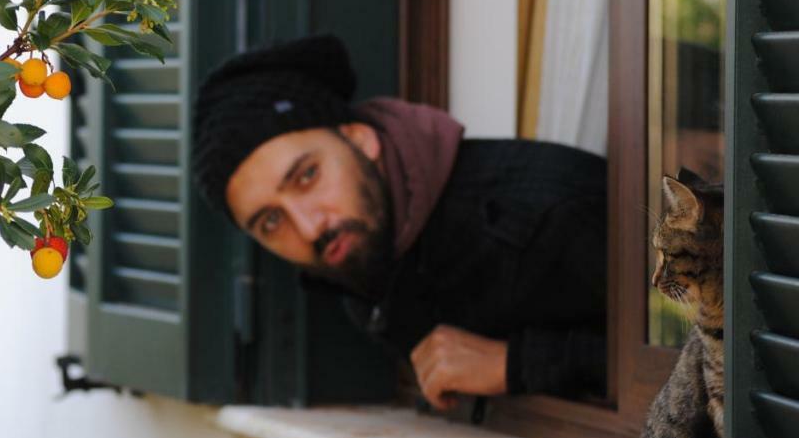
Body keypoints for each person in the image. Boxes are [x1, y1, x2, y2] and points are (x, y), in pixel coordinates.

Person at [192, 34, 607, 410]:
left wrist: (516, 363)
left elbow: (663, 351)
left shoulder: (547, 214)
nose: (309, 227)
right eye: (269, 221)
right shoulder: (368, 261)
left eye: (307, 176)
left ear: (360, 139)